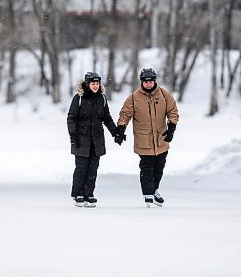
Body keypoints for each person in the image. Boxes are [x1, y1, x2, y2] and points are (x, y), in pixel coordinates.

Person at [114, 68, 179, 207]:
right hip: (144, 140)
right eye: (146, 82)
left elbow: (173, 111)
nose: (148, 84)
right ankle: (148, 194)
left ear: (154, 81)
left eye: (151, 82)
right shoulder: (133, 98)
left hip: (161, 139)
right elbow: (125, 114)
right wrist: (120, 129)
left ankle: (154, 189)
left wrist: (171, 127)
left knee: (159, 168)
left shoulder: (164, 94)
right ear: (142, 82)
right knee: (146, 168)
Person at [67, 72, 117, 207]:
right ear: (87, 84)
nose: (95, 86)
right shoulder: (79, 98)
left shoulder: (102, 98)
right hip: (81, 139)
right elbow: (71, 118)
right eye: (93, 84)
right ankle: (78, 193)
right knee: (81, 167)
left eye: (97, 83)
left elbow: (107, 118)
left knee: (93, 168)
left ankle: (89, 194)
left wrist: (115, 133)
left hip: (97, 140)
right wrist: (73, 137)